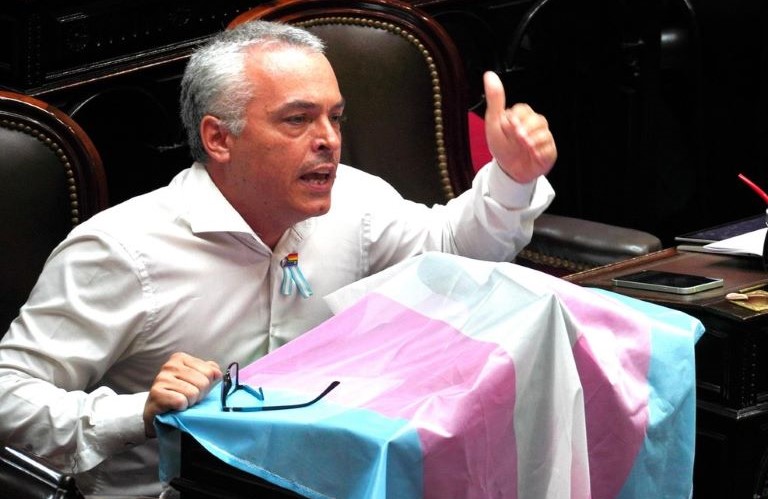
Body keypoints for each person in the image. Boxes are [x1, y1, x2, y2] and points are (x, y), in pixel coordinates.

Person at [0, 20, 557, 497]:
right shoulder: (122, 251)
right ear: (219, 138)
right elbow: (8, 395)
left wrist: (511, 178)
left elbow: (453, 250)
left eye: (335, 117)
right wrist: (137, 412)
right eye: (298, 119)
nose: (329, 140)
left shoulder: (354, 200)